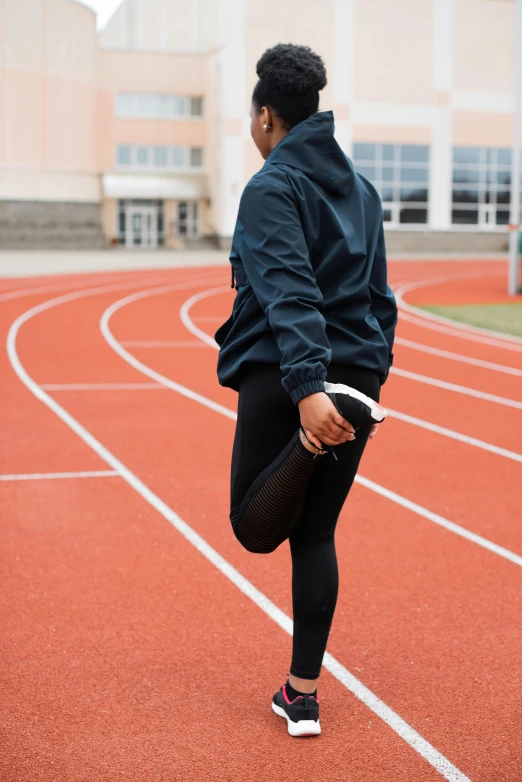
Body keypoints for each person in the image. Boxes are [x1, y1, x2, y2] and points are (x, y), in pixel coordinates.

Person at [215, 43, 397, 737]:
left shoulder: (271, 186)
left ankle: (303, 439)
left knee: (252, 527)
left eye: (251, 118)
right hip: (360, 379)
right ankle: (303, 694)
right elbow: (382, 299)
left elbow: (289, 293)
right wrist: (370, 372)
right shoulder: (364, 190)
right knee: (315, 534)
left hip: (291, 377)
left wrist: (307, 388)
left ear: (266, 116)